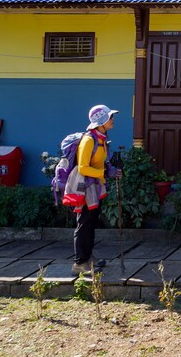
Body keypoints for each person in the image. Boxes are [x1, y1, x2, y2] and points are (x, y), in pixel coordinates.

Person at [72, 104, 121, 273]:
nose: (113, 119)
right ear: (101, 121)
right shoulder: (89, 140)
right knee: (84, 222)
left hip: (95, 186)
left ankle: (88, 258)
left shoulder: (100, 139)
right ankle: (80, 263)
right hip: (85, 188)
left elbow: (98, 163)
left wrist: (109, 170)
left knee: (91, 221)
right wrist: (104, 173)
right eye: (110, 117)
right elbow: (82, 167)